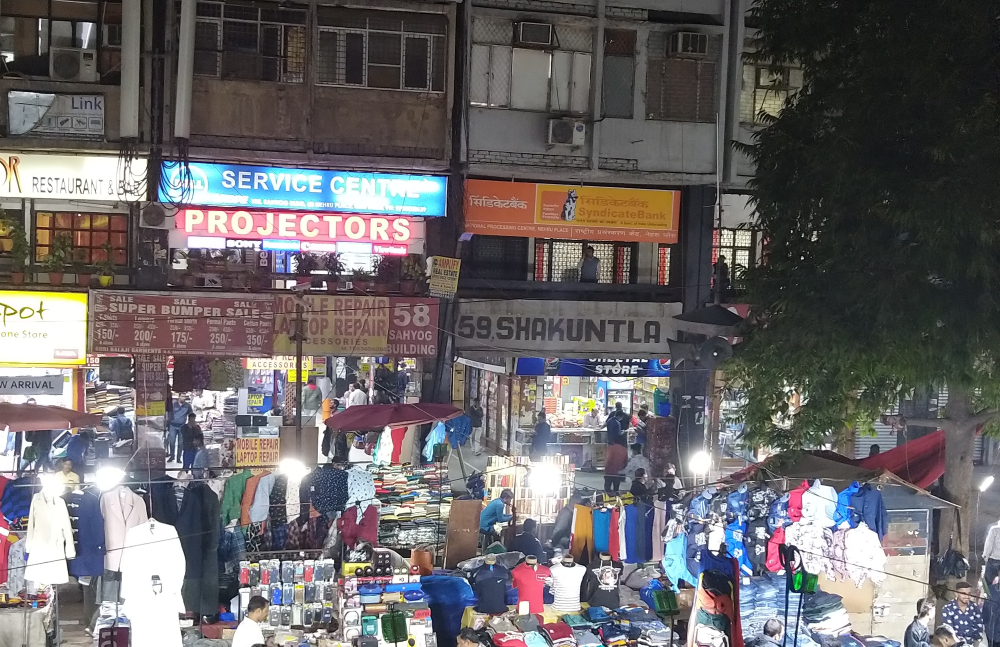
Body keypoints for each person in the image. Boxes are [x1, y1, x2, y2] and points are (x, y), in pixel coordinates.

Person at [942, 583, 984, 647]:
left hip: (971, 644)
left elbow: (979, 627)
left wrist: (976, 643)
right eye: (963, 593)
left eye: (969, 593)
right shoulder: (948, 608)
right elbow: (948, 631)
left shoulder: (975, 607)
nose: (967, 596)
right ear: (956, 594)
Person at [166, 393, 193, 463]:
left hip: (182, 426)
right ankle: (172, 456)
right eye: (182, 396)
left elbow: (191, 415)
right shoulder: (173, 404)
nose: (183, 398)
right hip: (173, 425)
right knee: (172, 442)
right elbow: (168, 413)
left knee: (181, 443)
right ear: (179, 397)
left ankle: (178, 458)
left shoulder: (188, 406)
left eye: (185, 397)